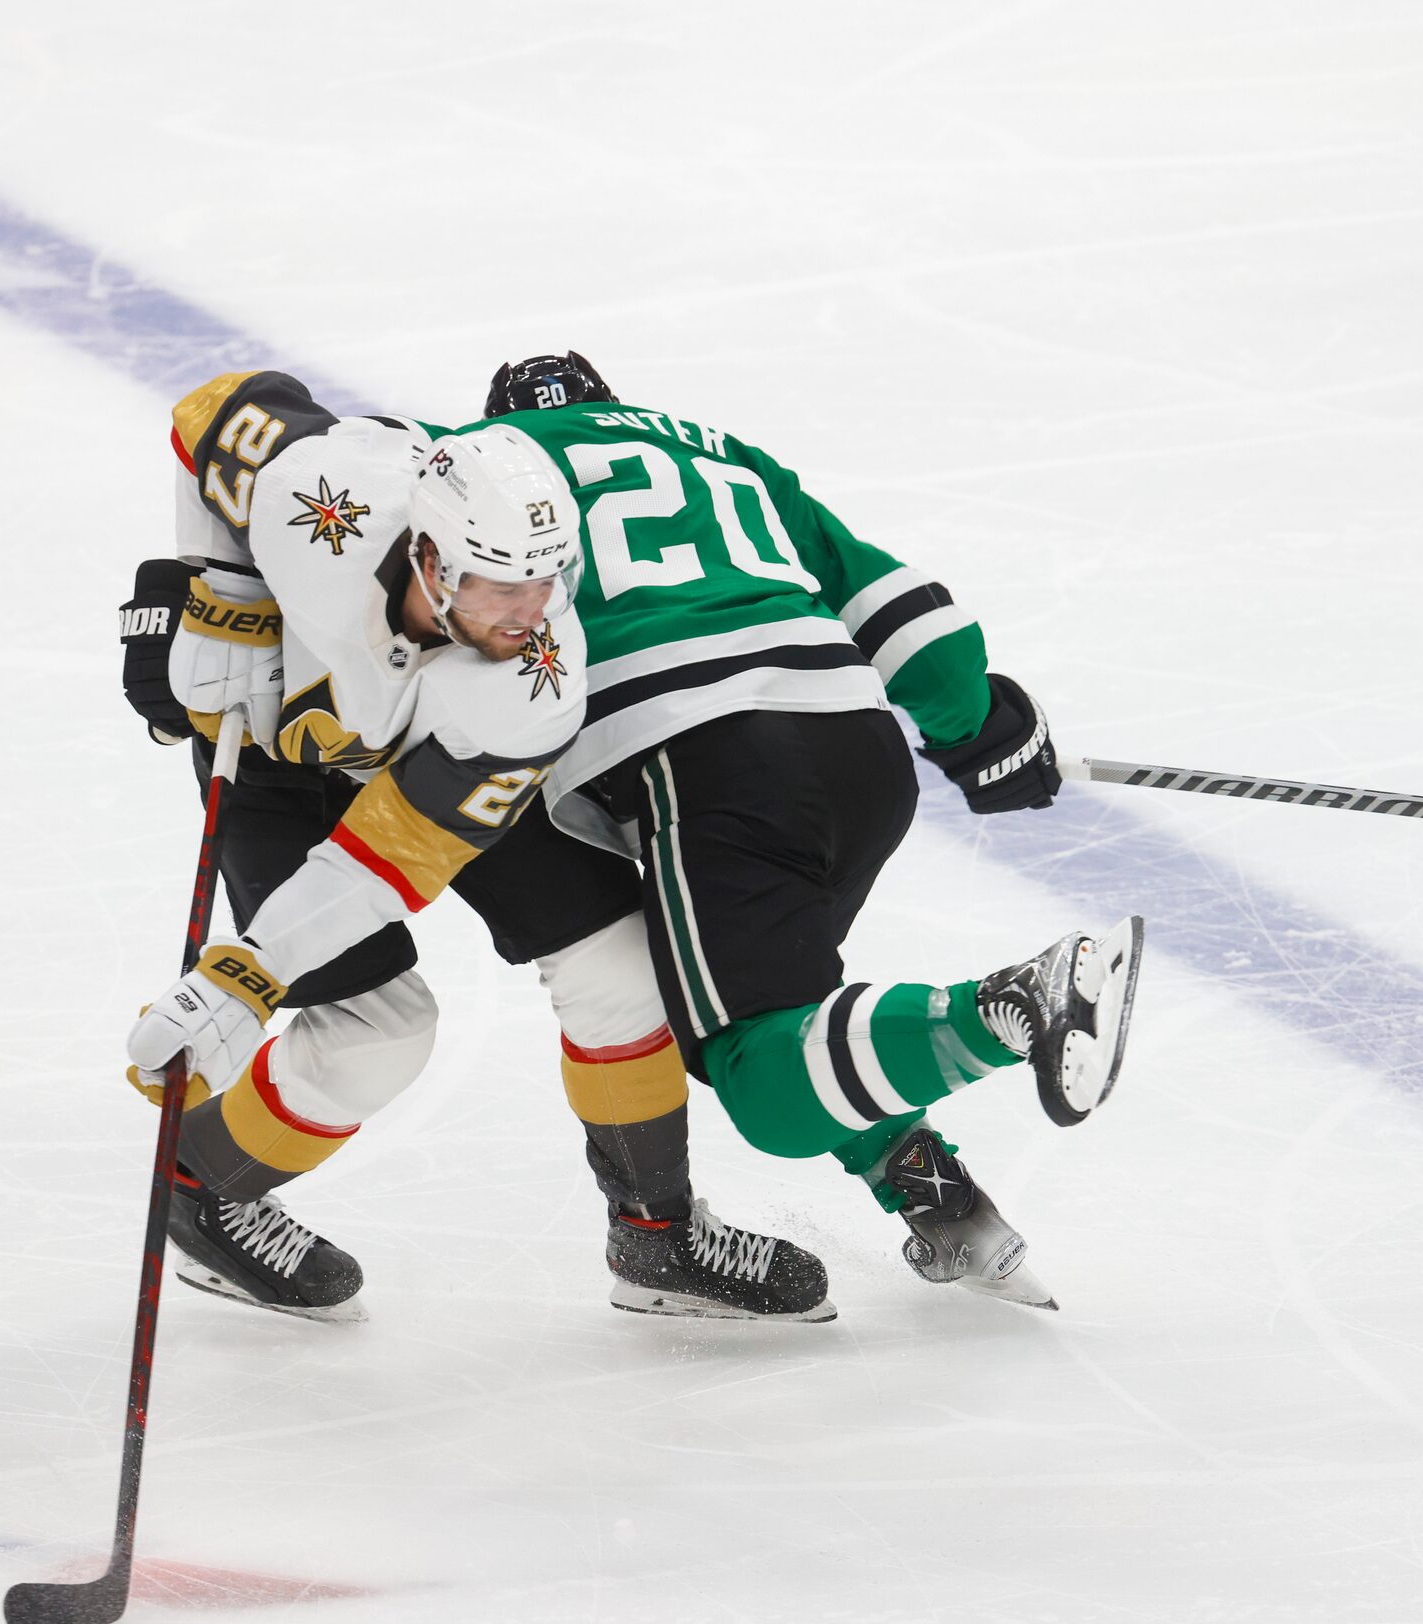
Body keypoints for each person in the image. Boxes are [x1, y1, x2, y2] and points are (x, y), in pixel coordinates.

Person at [114, 369, 831, 1324]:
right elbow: (209, 414)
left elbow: (394, 852)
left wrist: (246, 974)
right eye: (503, 582)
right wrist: (219, 586)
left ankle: (656, 1234)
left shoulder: (529, 682)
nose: (532, 610)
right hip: (273, 756)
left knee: (620, 968)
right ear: (430, 557)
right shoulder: (328, 495)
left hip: (418, 765)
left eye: (547, 576)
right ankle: (204, 1187)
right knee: (381, 1035)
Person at [469, 354, 1145, 1309]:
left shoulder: (484, 469)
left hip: (698, 752)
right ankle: (939, 1201)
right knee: (786, 1007)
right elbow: (895, 601)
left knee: (752, 1064)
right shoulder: (718, 454)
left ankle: (1006, 1008)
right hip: (858, 747)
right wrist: (979, 726)